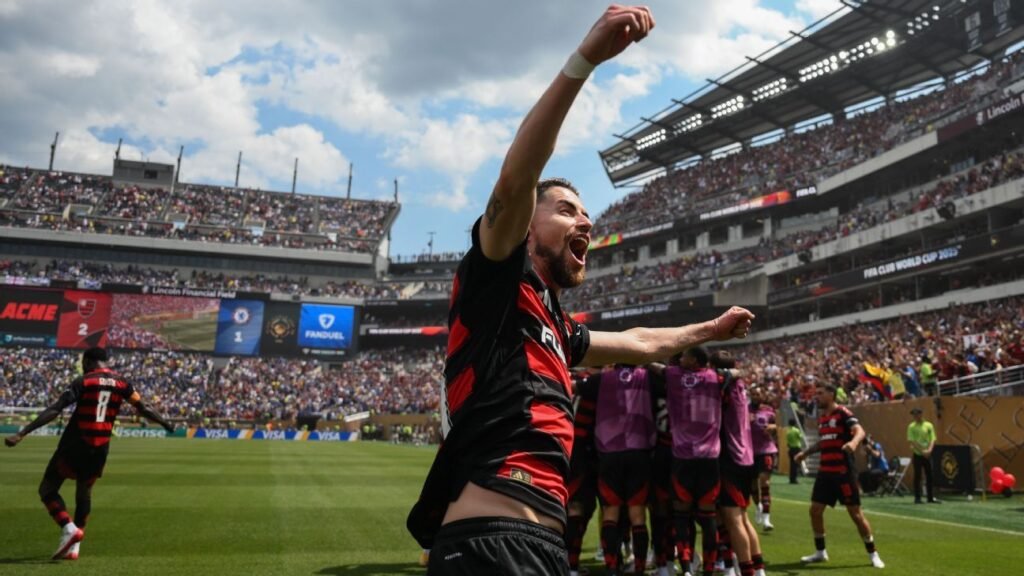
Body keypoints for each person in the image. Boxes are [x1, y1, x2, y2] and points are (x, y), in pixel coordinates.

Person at [405, 7, 755, 575]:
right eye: (567, 210)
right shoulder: (497, 281)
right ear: (526, 224)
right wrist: (584, 60)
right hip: (493, 542)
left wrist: (708, 332)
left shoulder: (555, 327)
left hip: (540, 544)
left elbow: (639, 342)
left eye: (587, 213)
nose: (585, 221)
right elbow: (518, 178)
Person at [4, 347, 175, 560]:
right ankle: (75, 548)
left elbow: (55, 409)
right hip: (100, 448)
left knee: (47, 488)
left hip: (76, 443)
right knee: (84, 493)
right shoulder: (122, 383)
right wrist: (166, 423)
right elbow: (144, 407)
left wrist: (22, 433)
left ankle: (68, 527)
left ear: (87, 361)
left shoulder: (84, 381)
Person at [795, 384, 884, 569]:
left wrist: (852, 443)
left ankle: (873, 553)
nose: (816, 397)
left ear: (831, 394)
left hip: (843, 472)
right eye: (815, 394)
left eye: (820, 393)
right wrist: (806, 453)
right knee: (815, 511)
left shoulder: (843, 412)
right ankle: (820, 552)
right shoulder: (823, 418)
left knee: (856, 514)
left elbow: (860, 431)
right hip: (825, 472)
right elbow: (823, 442)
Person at [593, 365, 656, 576]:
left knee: (610, 513)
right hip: (639, 453)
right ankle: (638, 568)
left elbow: (576, 386)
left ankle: (611, 566)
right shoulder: (647, 376)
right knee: (637, 515)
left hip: (609, 453)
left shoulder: (601, 378)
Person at [713, 353, 766, 576]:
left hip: (730, 458)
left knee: (733, 520)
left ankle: (747, 571)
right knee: (741, 519)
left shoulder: (725, 385)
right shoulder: (739, 386)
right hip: (745, 457)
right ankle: (758, 569)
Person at [749, 389, 777, 532]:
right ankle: (758, 506)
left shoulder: (769, 411)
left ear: (763, 396)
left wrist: (773, 427)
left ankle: (767, 518)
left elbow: (778, 425)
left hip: (766, 450)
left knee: (764, 481)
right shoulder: (743, 409)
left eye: (758, 394)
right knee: (752, 484)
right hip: (749, 451)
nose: (756, 396)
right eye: (754, 394)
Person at [907, 407, 939, 504]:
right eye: (914, 415)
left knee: (930, 475)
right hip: (917, 454)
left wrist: (929, 450)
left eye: (917, 414)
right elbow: (912, 441)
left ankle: (930, 497)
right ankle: (917, 497)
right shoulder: (911, 426)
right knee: (918, 476)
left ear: (921, 414)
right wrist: (922, 451)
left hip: (928, 454)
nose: (915, 416)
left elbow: (932, 438)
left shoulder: (928, 425)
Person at [786, 419, 804, 485]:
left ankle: (791, 479)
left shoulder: (788, 431)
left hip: (791, 449)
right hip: (797, 448)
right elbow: (800, 437)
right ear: (795, 424)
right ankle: (795, 479)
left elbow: (787, 442)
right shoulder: (796, 430)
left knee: (792, 464)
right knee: (796, 464)